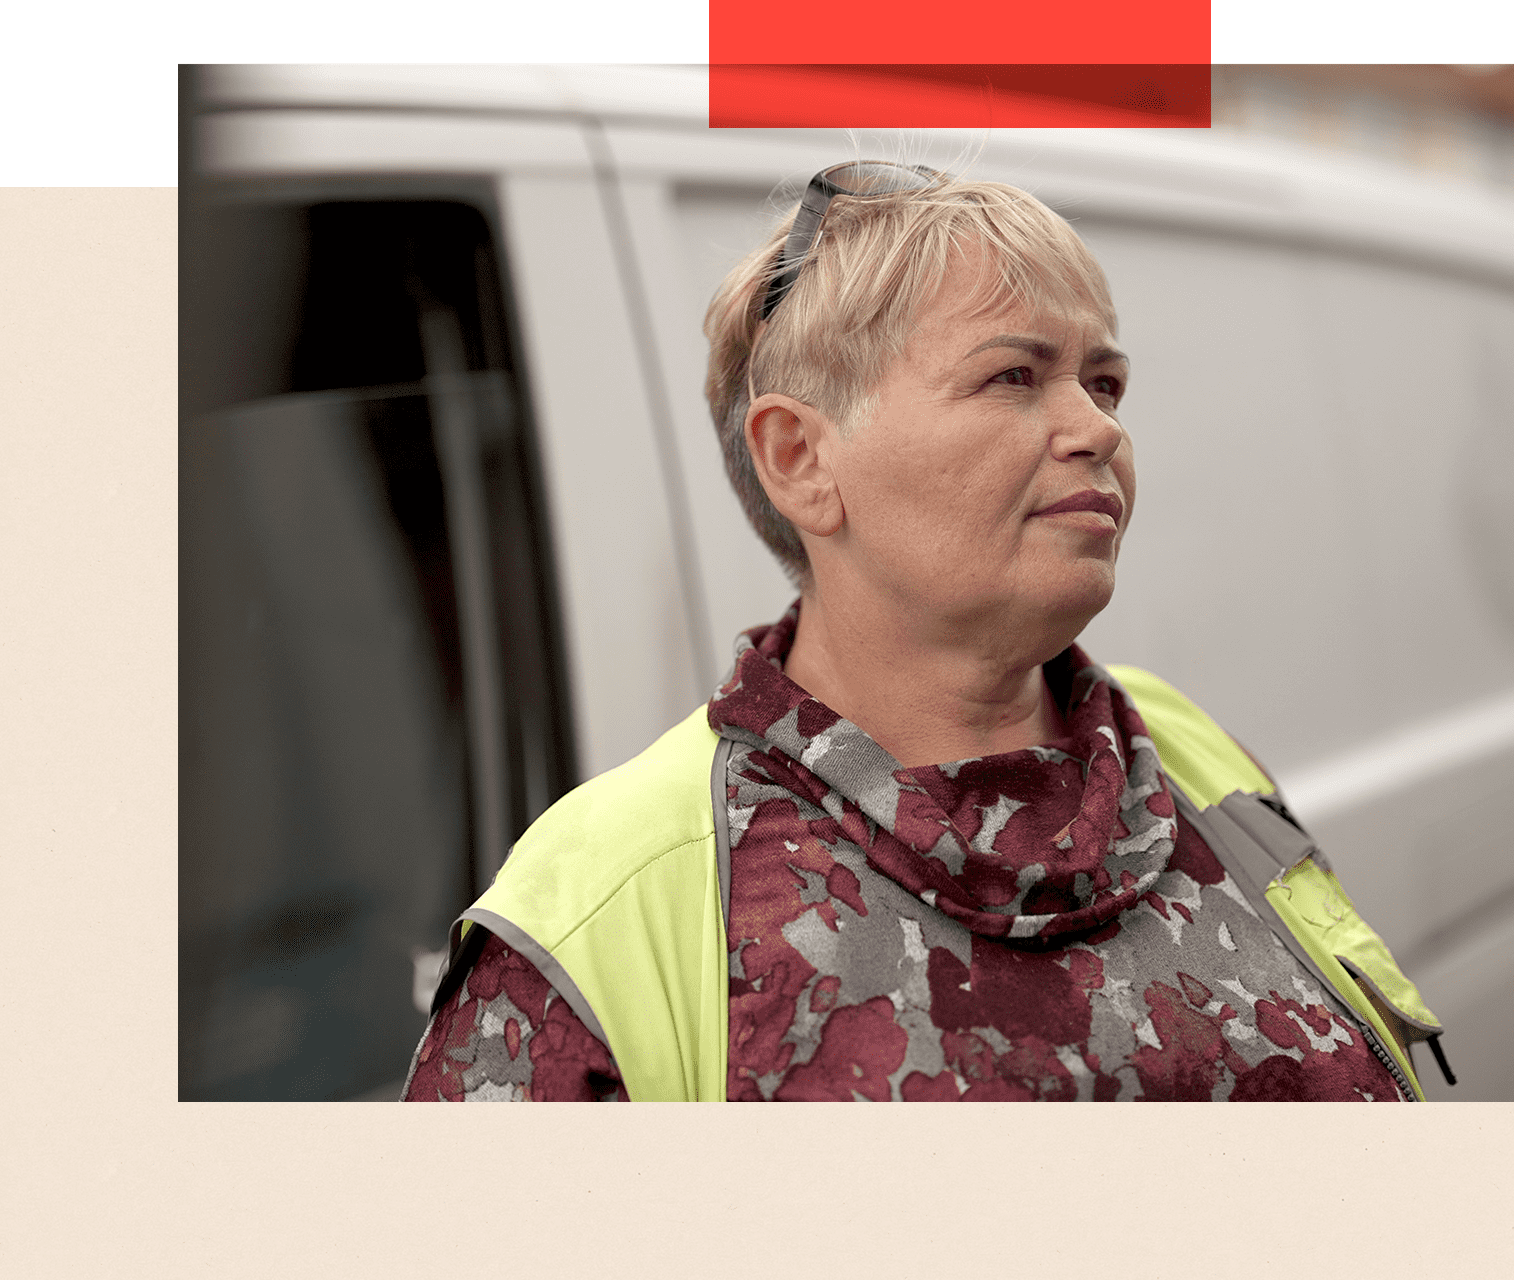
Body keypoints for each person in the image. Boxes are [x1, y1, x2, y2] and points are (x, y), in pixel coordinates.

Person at [402, 161, 1445, 1102]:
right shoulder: (608, 906)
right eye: (1013, 376)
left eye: (1104, 381)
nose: (1099, 429)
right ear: (801, 459)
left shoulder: (1180, 744)